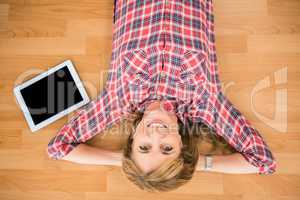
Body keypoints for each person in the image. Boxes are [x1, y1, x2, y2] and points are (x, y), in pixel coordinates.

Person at [47, 0, 277, 192]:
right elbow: (263, 161)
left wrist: (126, 162)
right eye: (167, 149)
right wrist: (197, 164)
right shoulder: (205, 102)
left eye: (144, 147)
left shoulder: (119, 99)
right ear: (181, 144)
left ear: (132, 140)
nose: (155, 134)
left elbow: (59, 148)